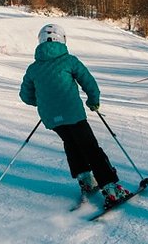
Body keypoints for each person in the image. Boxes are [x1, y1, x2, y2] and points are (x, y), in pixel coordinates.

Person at [19, 23, 131, 208]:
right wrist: (93, 100)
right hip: (73, 114)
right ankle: (111, 189)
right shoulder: (69, 61)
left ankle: (86, 180)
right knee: (90, 148)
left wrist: (45, 103)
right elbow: (89, 82)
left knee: (71, 144)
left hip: (51, 118)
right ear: (62, 40)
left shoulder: (34, 68)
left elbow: (25, 96)